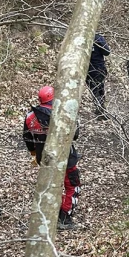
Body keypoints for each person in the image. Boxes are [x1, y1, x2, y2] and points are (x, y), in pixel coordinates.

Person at [22, 86, 82, 230]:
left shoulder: (30, 115)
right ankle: (65, 218)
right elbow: (75, 134)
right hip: (65, 156)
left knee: (49, 185)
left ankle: (45, 215)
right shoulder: (62, 112)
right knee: (73, 186)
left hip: (43, 157)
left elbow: (27, 137)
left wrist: (33, 153)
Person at [87, 33, 111, 121]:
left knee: (95, 89)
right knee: (99, 89)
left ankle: (100, 108)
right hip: (98, 68)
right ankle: (100, 110)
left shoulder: (81, 37)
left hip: (87, 69)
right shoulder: (97, 38)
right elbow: (107, 52)